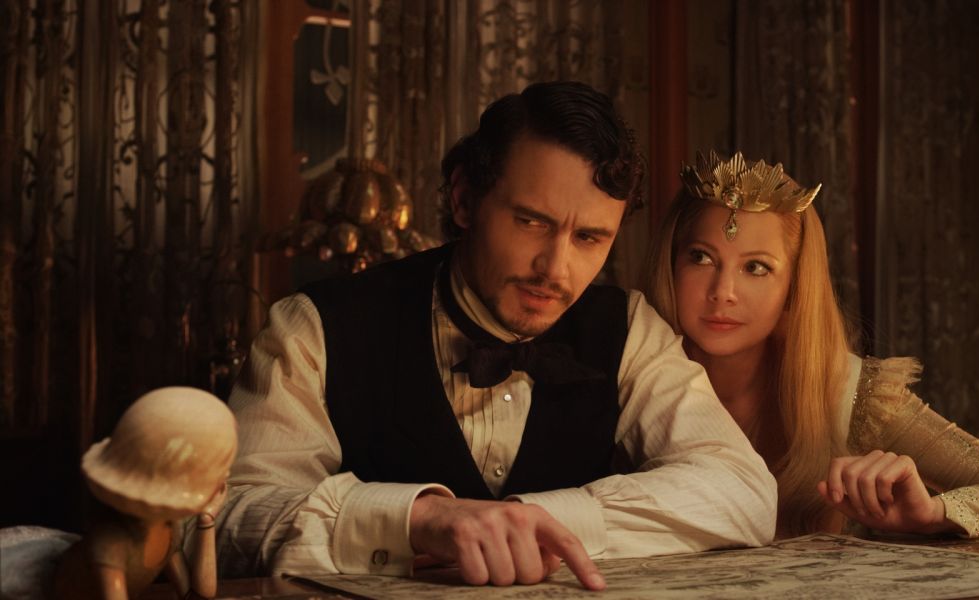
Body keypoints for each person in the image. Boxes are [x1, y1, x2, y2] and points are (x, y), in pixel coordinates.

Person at [216, 83, 776, 589]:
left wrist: (539, 522)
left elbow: (742, 492)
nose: (555, 269)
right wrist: (417, 520)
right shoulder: (315, 326)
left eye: (588, 238)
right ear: (464, 199)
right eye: (531, 221)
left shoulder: (629, 328)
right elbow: (228, 520)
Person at [641, 150, 979, 538]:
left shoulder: (848, 394)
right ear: (671, 263)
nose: (723, 292)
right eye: (701, 257)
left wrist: (932, 513)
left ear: (794, 286)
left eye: (756, 267)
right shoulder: (629, 371)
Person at [54, 387, 234, 599]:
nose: (225, 476)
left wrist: (207, 519)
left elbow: (196, 596)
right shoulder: (111, 544)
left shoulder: (169, 529)